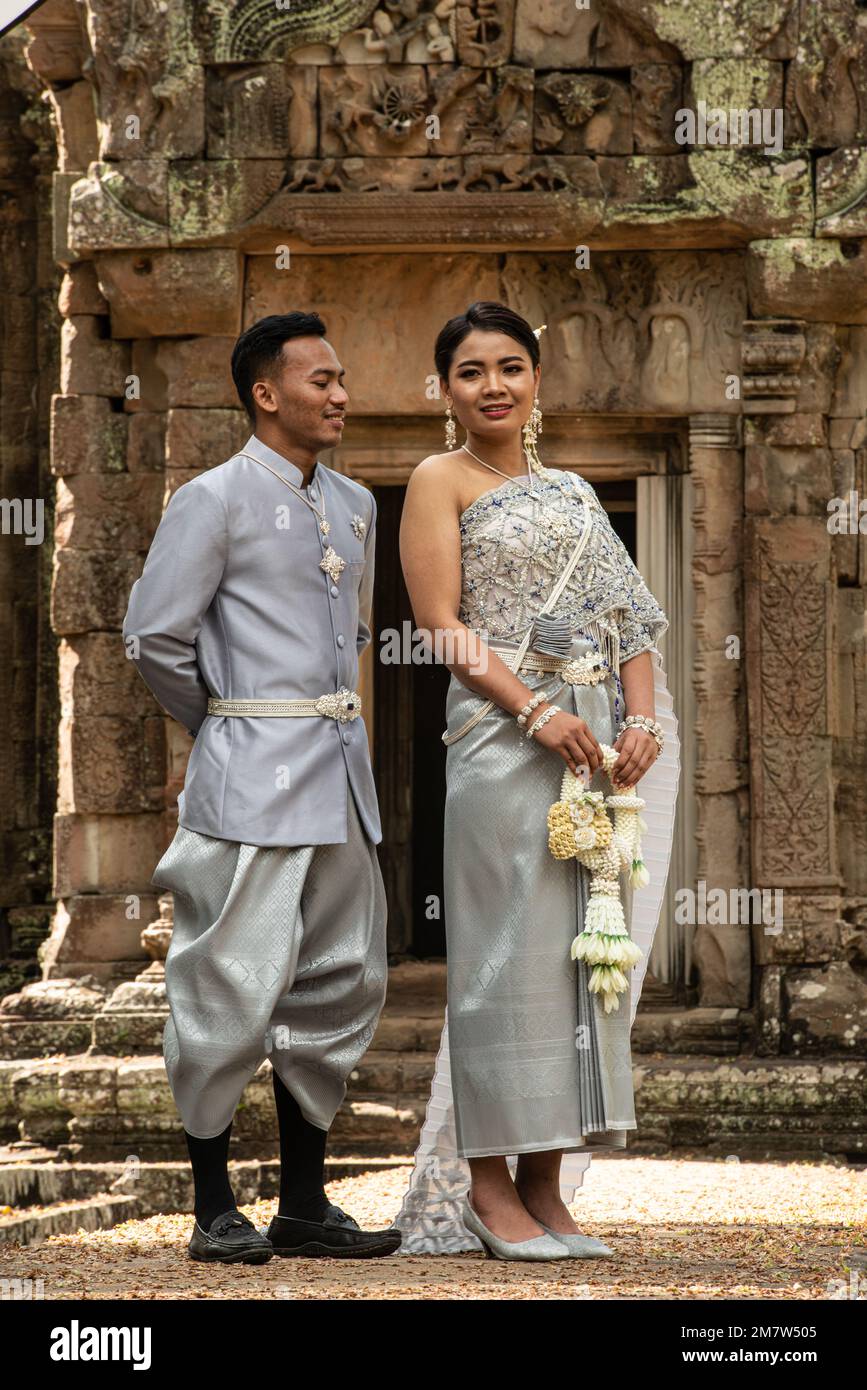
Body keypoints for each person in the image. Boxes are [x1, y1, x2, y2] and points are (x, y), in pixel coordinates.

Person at [394, 301, 680, 1260]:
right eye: (470, 371)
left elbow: (630, 619)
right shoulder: (438, 480)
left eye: (509, 367)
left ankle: (548, 1187)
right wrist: (534, 711)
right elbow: (441, 624)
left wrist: (638, 721)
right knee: (501, 954)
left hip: (589, 746)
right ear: (446, 391)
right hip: (500, 738)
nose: (493, 387)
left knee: (578, 955)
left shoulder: (573, 492)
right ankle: (487, 1190)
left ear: (537, 381)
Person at [122, 312, 401, 1264]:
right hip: (249, 779)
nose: (339, 394)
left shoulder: (359, 503)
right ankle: (212, 1207)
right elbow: (156, 636)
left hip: (340, 783)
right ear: (265, 394)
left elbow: (351, 641)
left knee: (340, 984)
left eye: (341, 378)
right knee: (225, 985)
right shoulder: (213, 498)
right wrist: (227, 727)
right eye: (319, 379)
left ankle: (304, 1206)